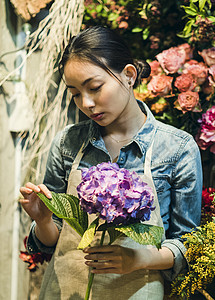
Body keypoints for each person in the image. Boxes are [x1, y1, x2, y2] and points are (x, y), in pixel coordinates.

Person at [19, 26, 202, 299]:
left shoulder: (176, 148)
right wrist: (44, 220)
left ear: (128, 75)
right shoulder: (68, 143)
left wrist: (138, 259)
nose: (87, 103)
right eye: (76, 94)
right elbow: (51, 241)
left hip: (137, 288)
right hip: (67, 290)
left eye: (94, 88)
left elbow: (189, 244)